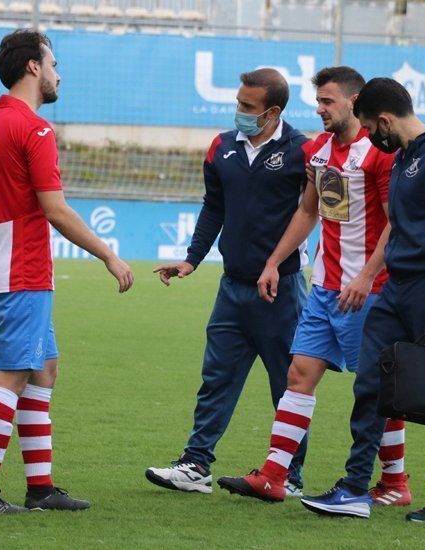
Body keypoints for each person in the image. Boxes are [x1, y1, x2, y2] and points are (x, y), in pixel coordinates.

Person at [0, 29, 134, 514]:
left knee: (44, 370)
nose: (59, 73)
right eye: (54, 63)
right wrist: (109, 254)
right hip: (25, 275)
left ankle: (40, 487)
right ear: (33, 68)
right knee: (11, 377)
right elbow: (55, 210)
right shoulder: (35, 130)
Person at [216, 67, 411, 506]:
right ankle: (273, 476)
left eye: (327, 101)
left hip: (369, 292)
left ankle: (396, 483)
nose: (319, 109)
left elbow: (395, 224)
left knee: (376, 389)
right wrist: (273, 262)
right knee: (298, 376)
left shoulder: (379, 154)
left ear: (354, 102)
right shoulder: (319, 150)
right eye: (317, 101)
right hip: (324, 288)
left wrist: (365, 277)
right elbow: (308, 212)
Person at [298, 77, 425, 522]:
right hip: (395, 288)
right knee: (371, 386)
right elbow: (395, 225)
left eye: (369, 126)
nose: (369, 137)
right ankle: (356, 488)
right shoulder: (401, 156)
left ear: (383, 120)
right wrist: (371, 275)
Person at [145, 68, 311, 497]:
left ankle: (289, 476)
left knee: (288, 386)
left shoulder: (304, 152)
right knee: (216, 378)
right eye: (238, 102)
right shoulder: (221, 147)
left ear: (272, 112)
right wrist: (192, 259)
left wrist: (279, 262)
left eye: (247, 106)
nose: (238, 111)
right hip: (231, 288)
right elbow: (213, 208)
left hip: (282, 290)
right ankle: (196, 464)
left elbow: (313, 213)